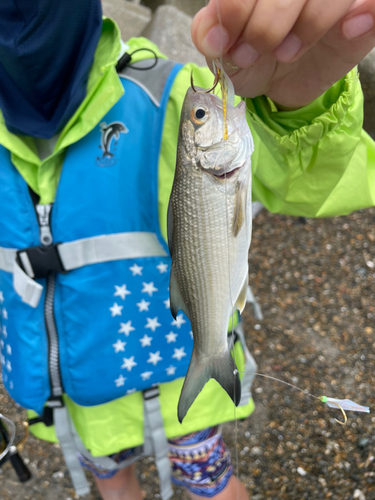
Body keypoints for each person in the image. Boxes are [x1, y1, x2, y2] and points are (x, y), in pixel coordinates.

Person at [0, 1, 374, 499]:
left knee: (212, 486)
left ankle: (211, 357)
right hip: (77, 407)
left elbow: (311, 185)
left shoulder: (168, 95)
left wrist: (293, 108)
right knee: (114, 486)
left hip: (178, 384)